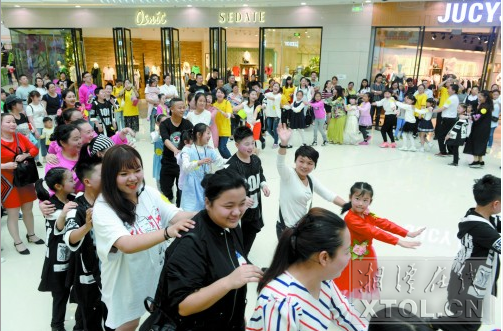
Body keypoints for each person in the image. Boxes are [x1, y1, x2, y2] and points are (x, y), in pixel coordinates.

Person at [93, 145, 196, 331]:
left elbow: (176, 216)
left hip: (153, 275)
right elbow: (125, 244)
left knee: (155, 317)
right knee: (128, 324)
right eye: (124, 173)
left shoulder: (148, 192)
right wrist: (167, 232)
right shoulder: (103, 208)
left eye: (137, 170)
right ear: (110, 176)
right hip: (125, 284)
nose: (133, 178)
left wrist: (214, 210)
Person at [156, 169, 264, 330]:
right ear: (207, 203)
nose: (237, 212)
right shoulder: (192, 242)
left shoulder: (229, 225)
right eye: (229, 206)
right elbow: (183, 306)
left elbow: (233, 259)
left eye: (242, 204)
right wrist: (228, 282)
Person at [248, 207, 369, 331]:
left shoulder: (323, 280)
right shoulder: (281, 302)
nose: (350, 257)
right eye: (347, 252)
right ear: (324, 257)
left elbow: (347, 316)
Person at [431, 175, 501, 331]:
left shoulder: (475, 215)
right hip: (468, 284)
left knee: (465, 320)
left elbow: (497, 224)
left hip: (464, 278)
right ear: (495, 204)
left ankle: (433, 323)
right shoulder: (483, 229)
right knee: (470, 324)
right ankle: (430, 323)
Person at [335, 182, 424, 300]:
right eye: (357, 199)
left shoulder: (366, 213)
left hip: (366, 254)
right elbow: (374, 232)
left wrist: (407, 233)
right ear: (350, 197)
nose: (361, 203)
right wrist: (399, 242)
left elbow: (383, 222)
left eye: (365, 200)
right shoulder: (351, 218)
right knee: (349, 283)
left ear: (370, 201)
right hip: (352, 257)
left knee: (363, 281)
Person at [61, 153, 109, 330]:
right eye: (103, 175)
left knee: (112, 316)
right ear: (88, 182)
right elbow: (70, 238)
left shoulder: (111, 201)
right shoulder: (76, 207)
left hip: (111, 271)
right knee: (91, 318)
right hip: (88, 274)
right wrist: (87, 226)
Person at [275, 124, 346, 238]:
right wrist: (283, 144)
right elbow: (280, 163)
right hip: (286, 229)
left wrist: (349, 205)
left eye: (310, 163)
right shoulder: (288, 174)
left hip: (302, 227)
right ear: (295, 161)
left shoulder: (311, 180)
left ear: (314, 165)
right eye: (301, 161)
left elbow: (329, 195)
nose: (304, 166)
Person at [35, 167, 77, 331]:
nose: (74, 182)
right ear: (59, 186)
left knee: (76, 288)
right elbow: (57, 228)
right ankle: (57, 324)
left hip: (72, 252)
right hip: (57, 257)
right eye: (71, 180)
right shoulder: (51, 207)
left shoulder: (73, 199)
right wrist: (64, 213)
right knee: (60, 292)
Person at [1, 113, 44, 255]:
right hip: (7, 183)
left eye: (13, 121)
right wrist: (4, 166)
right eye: (8, 122)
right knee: (13, 213)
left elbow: (35, 149)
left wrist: (25, 155)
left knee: (28, 208)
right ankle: (17, 241)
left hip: (24, 178)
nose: (13, 124)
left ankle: (31, 235)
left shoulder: (19, 137)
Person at [226, 126, 269, 255]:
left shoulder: (256, 160)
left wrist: (264, 185)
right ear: (237, 145)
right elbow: (228, 190)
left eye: (253, 143)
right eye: (246, 144)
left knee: (251, 234)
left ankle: (244, 256)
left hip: (255, 208)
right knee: (238, 239)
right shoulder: (232, 165)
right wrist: (242, 199)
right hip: (239, 213)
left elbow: (260, 174)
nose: (251, 147)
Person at [179, 124, 228, 212]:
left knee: (206, 212)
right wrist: (199, 162)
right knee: (191, 214)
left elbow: (221, 162)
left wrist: (237, 158)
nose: (210, 136)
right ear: (198, 135)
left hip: (206, 185)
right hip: (192, 189)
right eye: (208, 133)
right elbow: (185, 167)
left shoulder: (209, 150)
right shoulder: (187, 150)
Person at [159, 98, 194, 206]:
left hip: (182, 163)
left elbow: (192, 140)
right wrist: (175, 150)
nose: (182, 110)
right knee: (165, 188)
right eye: (179, 108)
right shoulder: (164, 124)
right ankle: (169, 204)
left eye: (184, 107)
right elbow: (165, 139)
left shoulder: (188, 124)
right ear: (172, 109)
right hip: (168, 161)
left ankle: (179, 208)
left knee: (181, 191)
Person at [45, 124, 84, 192]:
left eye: (80, 137)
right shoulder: (54, 163)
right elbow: (54, 192)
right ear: (63, 143)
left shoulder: (87, 154)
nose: (80, 141)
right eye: (76, 139)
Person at [463, 90, 493, 168]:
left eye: (480, 97)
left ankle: (476, 161)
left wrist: (467, 116)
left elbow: (477, 117)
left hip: (480, 128)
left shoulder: (484, 107)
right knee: (481, 143)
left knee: (476, 143)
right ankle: (480, 160)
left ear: (485, 97)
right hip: (483, 128)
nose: (478, 98)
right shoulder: (486, 105)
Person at [26, 90, 46, 165]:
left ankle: (44, 156)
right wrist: (36, 130)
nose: (38, 98)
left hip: (44, 125)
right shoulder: (29, 107)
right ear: (32, 98)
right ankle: (37, 159)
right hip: (36, 126)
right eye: (37, 96)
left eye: (39, 96)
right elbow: (30, 119)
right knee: (37, 144)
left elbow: (45, 113)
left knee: (44, 142)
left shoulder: (41, 104)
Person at [213, 87, 233, 158]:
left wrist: (220, 110)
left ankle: (231, 161)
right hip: (216, 130)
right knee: (219, 148)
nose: (220, 94)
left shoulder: (227, 103)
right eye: (218, 92)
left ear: (224, 95)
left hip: (225, 129)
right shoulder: (214, 104)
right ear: (216, 94)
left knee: (222, 147)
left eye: (221, 93)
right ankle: (226, 162)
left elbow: (228, 116)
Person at [263, 82, 282, 148]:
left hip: (276, 115)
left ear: (279, 88)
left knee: (274, 128)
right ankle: (276, 138)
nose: (276, 87)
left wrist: (265, 95)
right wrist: (264, 105)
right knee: (268, 129)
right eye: (275, 86)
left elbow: (273, 99)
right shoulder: (268, 94)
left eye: (277, 86)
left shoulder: (279, 95)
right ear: (272, 87)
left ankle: (275, 142)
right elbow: (264, 101)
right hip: (269, 114)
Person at [153, 114, 168, 191]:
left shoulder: (169, 133)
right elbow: (154, 140)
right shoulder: (154, 133)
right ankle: (160, 193)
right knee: (159, 177)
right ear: (158, 124)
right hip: (158, 159)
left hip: (167, 158)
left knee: (168, 177)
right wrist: (159, 132)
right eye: (163, 122)